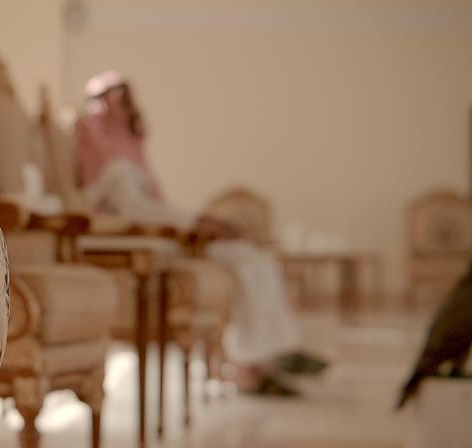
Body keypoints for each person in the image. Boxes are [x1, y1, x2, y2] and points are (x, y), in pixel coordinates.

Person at [75, 71, 326, 396]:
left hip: (169, 233)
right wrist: (197, 223)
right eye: (116, 101)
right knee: (247, 262)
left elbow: (153, 203)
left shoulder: (128, 153)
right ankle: (256, 365)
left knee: (255, 260)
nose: (123, 109)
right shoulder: (110, 163)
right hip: (156, 238)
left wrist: (201, 220)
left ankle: (273, 355)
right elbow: (138, 211)